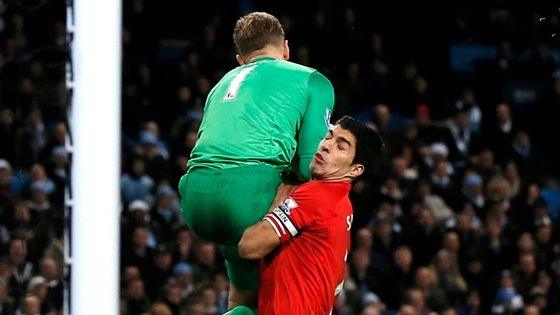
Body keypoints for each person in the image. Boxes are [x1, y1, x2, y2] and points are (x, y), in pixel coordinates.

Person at [178, 11, 335, 311]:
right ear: (286, 49)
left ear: (241, 59)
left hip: (196, 196)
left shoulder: (220, 85)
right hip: (250, 193)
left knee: (242, 301)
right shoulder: (312, 80)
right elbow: (310, 165)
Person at [237, 116, 385, 315]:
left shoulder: (318, 194)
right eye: (328, 136)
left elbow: (249, 247)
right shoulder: (343, 204)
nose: (326, 145)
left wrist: (276, 206)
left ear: (355, 170)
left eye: (341, 147)